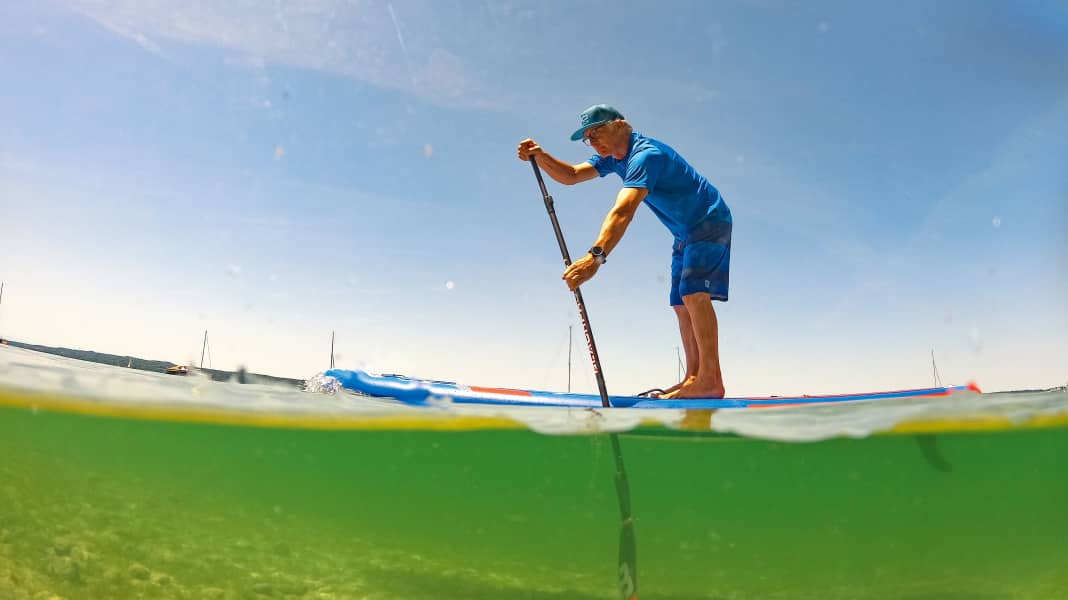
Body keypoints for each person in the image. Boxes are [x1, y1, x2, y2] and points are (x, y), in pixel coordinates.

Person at [517, 104, 732, 399]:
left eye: (598, 132)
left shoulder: (645, 155)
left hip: (708, 219)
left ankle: (710, 379)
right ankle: (693, 377)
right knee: (681, 303)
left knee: (694, 294)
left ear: (621, 124)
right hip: (683, 231)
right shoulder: (614, 157)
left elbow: (623, 210)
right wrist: (540, 157)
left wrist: (595, 257)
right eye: (588, 138)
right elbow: (572, 175)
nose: (594, 142)